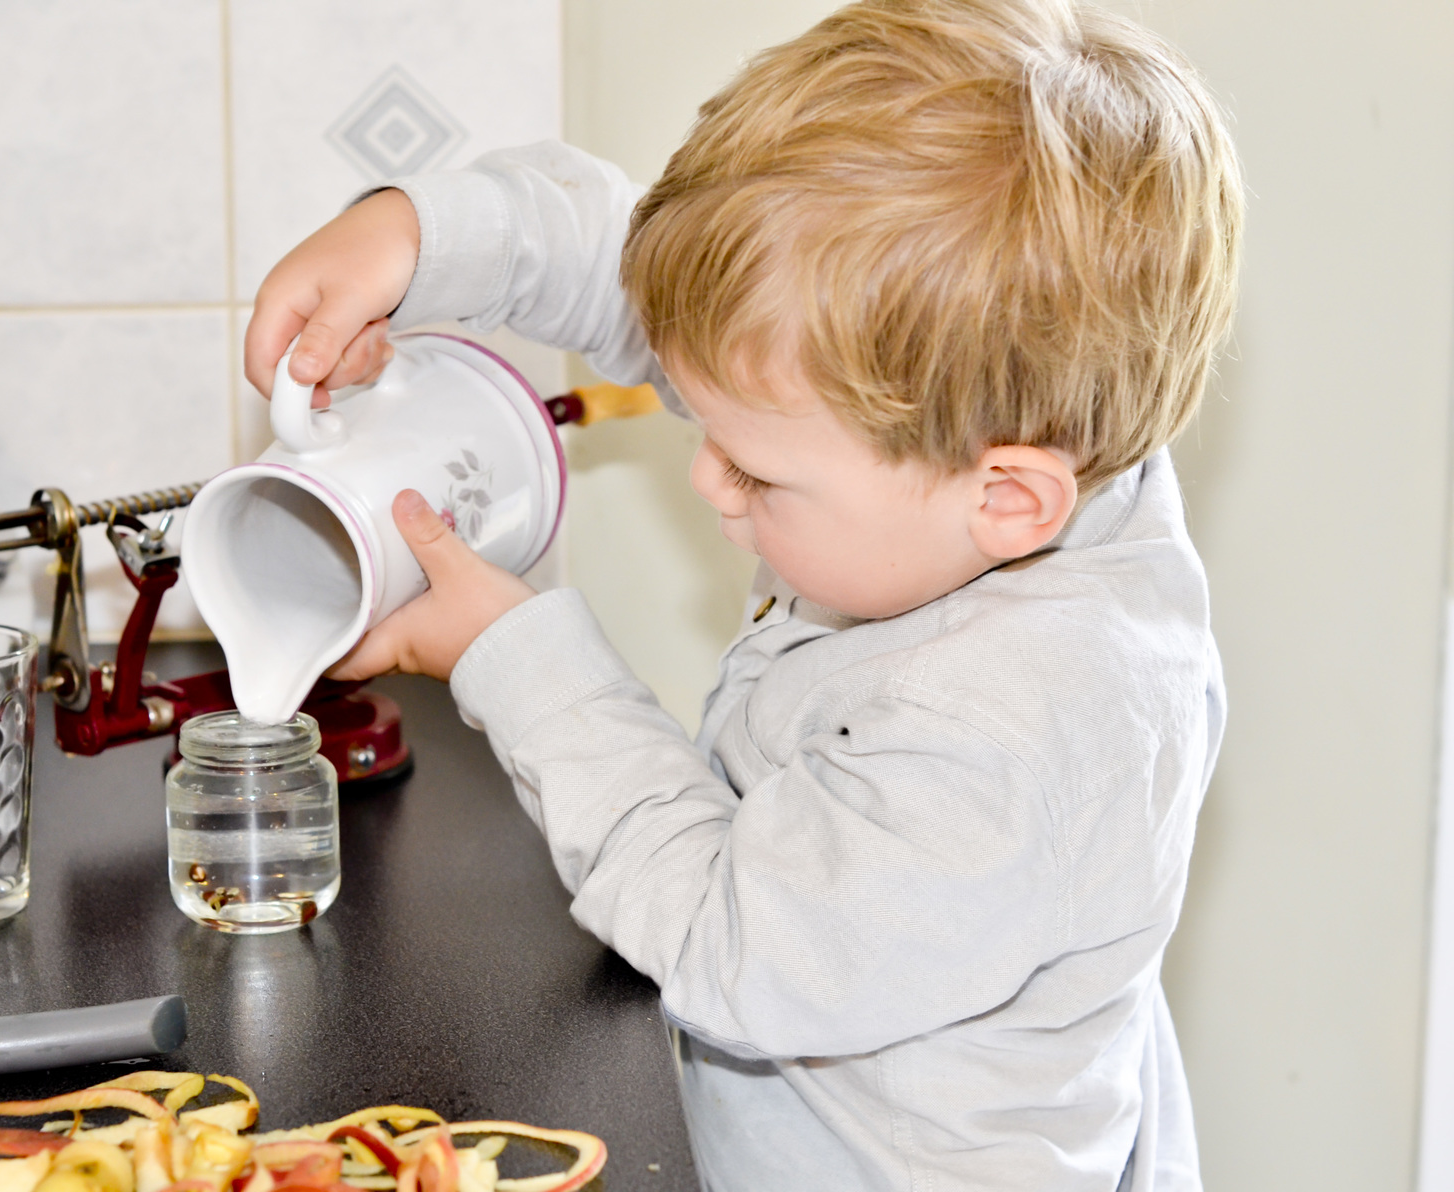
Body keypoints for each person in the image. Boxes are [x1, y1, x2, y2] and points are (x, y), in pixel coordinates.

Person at [242, 0, 1242, 1187]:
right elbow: (676, 299)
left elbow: (733, 945)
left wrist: (510, 655)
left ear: (1009, 498)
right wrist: (420, 238)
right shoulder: (983, 431)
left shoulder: (1008, 727)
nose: (706, 473)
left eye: (757, 470)